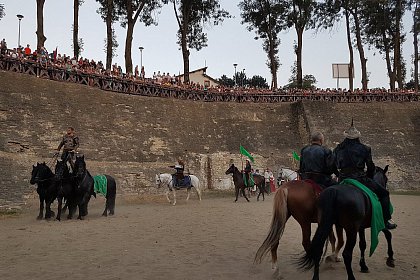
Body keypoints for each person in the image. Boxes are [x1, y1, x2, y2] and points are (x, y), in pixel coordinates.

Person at [334, 120, 397, 230]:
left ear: (346, 137)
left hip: (342, 178)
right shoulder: (365, 148)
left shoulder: (338, 148)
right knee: (384, 193)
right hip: (360, 178)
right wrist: (368, 175)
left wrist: (339, 174)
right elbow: (370, 167)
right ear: (357, 137)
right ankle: (386, 220)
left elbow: (333, 164)